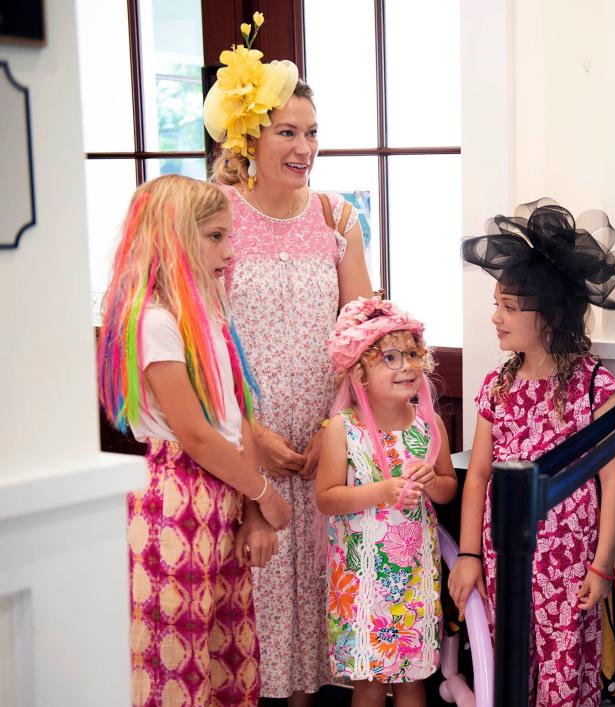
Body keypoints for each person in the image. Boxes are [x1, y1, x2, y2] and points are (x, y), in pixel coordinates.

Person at [203, 15, 373, 704]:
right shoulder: (216, 212)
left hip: (324, 453)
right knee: (255, 640)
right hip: (247, 449)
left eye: (311, 132)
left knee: (316, 644)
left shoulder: (337, 218)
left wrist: (329, 434)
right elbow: (206, 343)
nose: (305, 148)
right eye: (287, 132)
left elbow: (362, 336)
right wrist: (255, 438)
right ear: (251, 135)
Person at [97, 174, 292, 706]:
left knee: (225, 656)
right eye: (214, 238)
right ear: (174, 238)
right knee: (175, 663)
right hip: (176, 497)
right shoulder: (154, 321)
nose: (230, 252)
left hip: (225, 494)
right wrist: (265, 496)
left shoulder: (209, 310)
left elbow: (237, 418)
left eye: (230, 237)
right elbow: (198, 437)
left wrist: (250, 512)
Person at [448, 198, 615, 707]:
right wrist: (467, 556)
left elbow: (613, 482)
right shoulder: (496, 386)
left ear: (549, 316)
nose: (495, 317)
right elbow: (480, 475)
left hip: (570, 567)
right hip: (504, 558)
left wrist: (602, 566)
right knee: (508, 671)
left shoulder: (596, 387)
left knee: (563, 675)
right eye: (496, 303)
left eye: (510, 307)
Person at [315, 295, 458, 706]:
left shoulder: (429, 426)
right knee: (370, 681)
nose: (407, 366)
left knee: (414, 678)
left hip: (414, 575)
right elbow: (326, 498)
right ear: (360, 372)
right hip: (363, 579)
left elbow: (448, 489)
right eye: (390, 358)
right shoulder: (343, 429)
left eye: (413, 355)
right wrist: (381, 491)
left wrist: (432, 481)